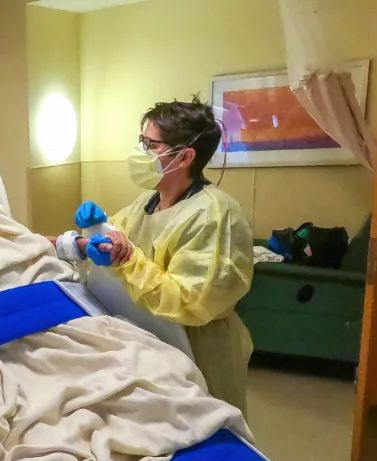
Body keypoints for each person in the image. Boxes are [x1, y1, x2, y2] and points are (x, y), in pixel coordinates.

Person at [61, 98, 254, 415]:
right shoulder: (147, 203)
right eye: (142, 141)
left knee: (203, 423)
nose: (141, 152)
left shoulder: (215, 215)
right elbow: (118, 236)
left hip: (200, 349)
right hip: (151, 340)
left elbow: (189, 302)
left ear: (185, 156)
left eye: (151, 145)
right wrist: (98, 230)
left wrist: (127, 260)